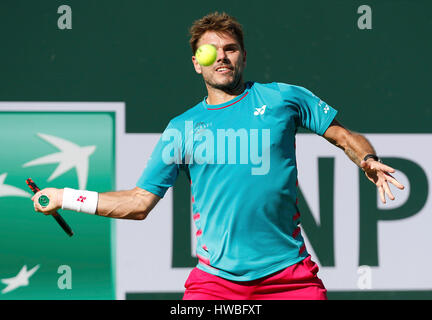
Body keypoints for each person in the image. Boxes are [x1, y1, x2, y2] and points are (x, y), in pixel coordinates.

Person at [31, 12, 405, 300]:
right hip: (216, 285)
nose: (222, 58)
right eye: (212, 51)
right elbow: (138, 202)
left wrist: (366, 160)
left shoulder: (282, 98)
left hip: (290, 278)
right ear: (197, 62)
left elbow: (343, 135)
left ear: (243, 57)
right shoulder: (181, 129)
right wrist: (65, 197)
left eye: (231, 49)